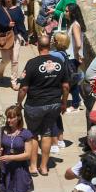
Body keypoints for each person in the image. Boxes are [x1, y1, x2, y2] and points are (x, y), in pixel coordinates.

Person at [18, 32, 70, 177]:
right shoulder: (59, 63)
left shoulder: (32, 63)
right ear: (50, 45)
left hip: (35, 104)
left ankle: (33, 166)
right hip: (53, 103)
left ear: (38, 46)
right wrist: (64, 103)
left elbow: (23, 88)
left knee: (33, 134)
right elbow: (66, 86)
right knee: (47, 133)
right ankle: (44, 167)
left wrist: (19, 103)